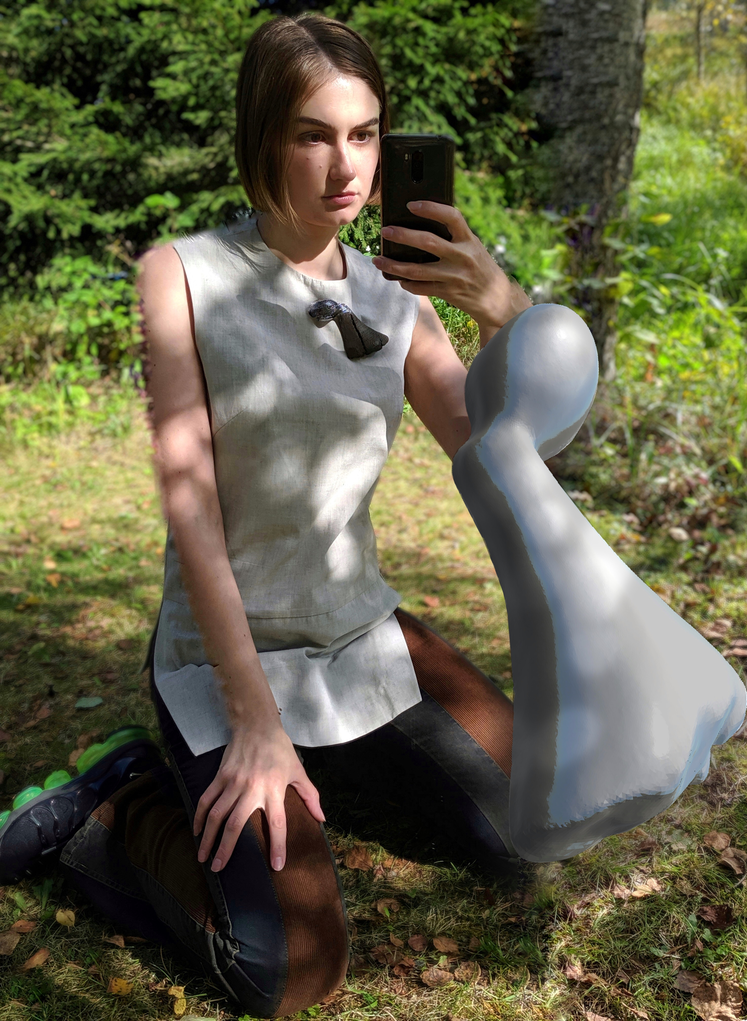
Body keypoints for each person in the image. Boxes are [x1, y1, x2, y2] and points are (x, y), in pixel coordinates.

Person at [0, 12, 531, 1017]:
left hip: (360, 631)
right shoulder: (184, 273)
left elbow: (502, 457)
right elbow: (190, 502)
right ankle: (116, 809)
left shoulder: (399, 296)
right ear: (262, 137)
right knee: (289, 970)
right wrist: (253, 719)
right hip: (224, 656)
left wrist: (505, 311)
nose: (347, 167)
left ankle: (338, 762)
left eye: (365, 134)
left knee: (532, 826)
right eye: (312, 135)